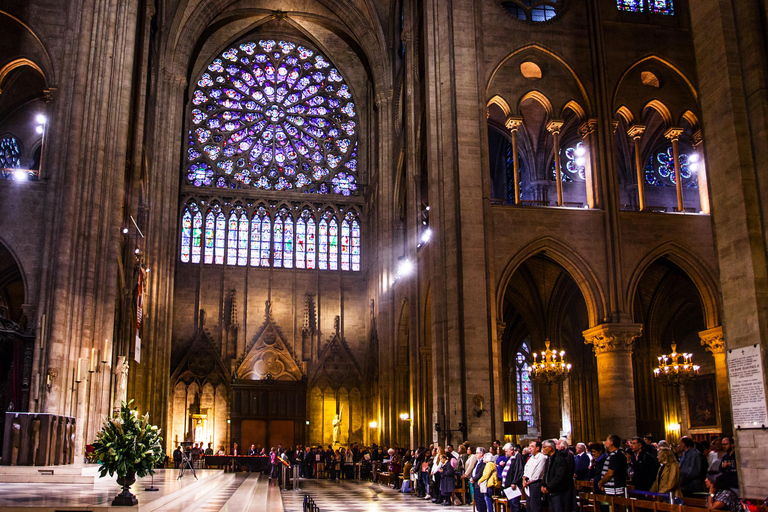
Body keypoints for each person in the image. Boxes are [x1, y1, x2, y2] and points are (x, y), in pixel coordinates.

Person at [542, 439, 574, 512]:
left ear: (550, 448)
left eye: (544, 447)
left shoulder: (560, 459)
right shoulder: (548, 459)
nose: (543, 449)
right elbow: (546, 473)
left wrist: (548, 487)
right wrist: (543, 484)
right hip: (550, 491)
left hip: (558, 491)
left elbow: (559, 476)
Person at [523, 441, 546, 512]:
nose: (529, 448)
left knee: (535, 507)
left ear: (537, 448)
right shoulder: (531, 457)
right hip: (528, 484)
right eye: (529, 446)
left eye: (532, 446)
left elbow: (537, 472)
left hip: (536, 483)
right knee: (529, 507)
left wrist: (529, 481)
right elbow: (526, 469)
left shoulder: (542, 457)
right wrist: (524, 479)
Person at [501, 442, 525, 512]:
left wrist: (514, 482)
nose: (506, 453)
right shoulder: (511, 457)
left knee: (515, 504)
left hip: (514, 485)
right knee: (511, 504)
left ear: (511, 450)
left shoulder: (518, 456)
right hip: (509, 485)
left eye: (507, 451)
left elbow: (519, 470)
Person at [469, 447, 487, 512]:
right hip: (475, 483)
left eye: (477, 453)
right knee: (477, 500)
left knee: (480, 500)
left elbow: (480, 473)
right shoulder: (477, 461)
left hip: (479, 483)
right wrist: (471, 477)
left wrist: (474, 478)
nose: (476, 454)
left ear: (481, 454)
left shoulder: (483, 462)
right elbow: (474, 470)